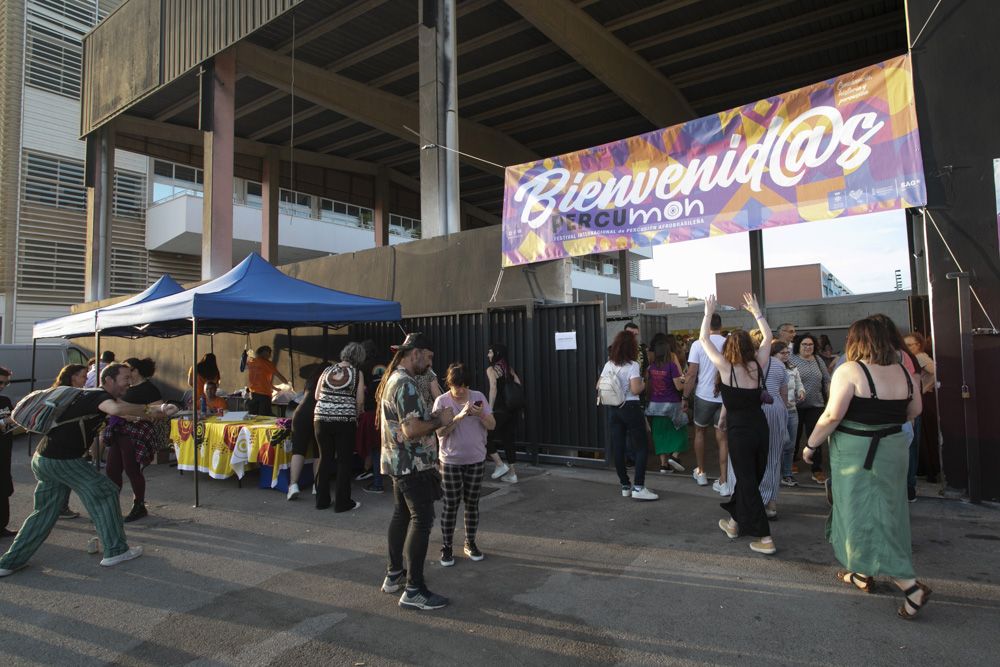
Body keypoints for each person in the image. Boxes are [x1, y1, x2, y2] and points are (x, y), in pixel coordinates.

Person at [0, 363, 179, 577]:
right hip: (62, 460)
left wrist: (160, 411)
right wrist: (154, 409)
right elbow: (118, 410)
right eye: (125, 378)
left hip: (44, 459)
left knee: (44, 513)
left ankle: (10, 562)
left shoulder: (96, 397)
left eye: (130, 378)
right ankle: (116, 550)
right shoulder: (99, 397)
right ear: (109, 380)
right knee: (106, 491)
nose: (129, 382)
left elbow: (127, 412)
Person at [803, 318, 929, 619]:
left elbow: (832, 415)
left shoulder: (850, 370)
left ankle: (910, 586)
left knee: (862, 513)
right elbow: (915, 411)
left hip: (858, 453)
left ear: (857, 341)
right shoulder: (904, 371)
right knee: (887, 509)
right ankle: (861, 572)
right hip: (893, 449)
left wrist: (810, 445)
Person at [376, 332, 453, 610]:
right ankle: (414, 589)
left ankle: (394, 574)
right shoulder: (406, 384)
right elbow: (411, 429)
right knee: (421, 520)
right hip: (413, 465)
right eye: (429, 357)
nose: (431, 365)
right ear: (416, 353)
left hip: (399, 463)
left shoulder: (393, 380)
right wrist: (438, 419)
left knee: (402, 515)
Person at [700, 293, 776, 555]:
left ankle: (765, 537)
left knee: (747, 481)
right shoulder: (758, 364)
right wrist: (756, 312)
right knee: (749, 480)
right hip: (760, 429)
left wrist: (708, 313)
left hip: (740, 433)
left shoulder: (724, 367)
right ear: (748, 347)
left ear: (729, 348)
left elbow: (703, 339)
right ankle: (733, 524)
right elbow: (768, 338)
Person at [433, 362, 495, 566]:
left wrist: (480, 415)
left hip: (476, 459)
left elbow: (492, 425)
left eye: (464, 386)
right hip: (450, 460)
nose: (460, 390)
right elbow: (439, 432)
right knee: (451, 505)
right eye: (456, 386)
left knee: (472, 504)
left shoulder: (478, 397)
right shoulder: (442, 401)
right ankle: (447, 546)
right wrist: (459, 417)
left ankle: (470, 542)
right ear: (449, 384)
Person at [598, 331, 658, 501]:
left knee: (618, 447)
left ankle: (625, 485)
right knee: (641, 447)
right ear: (630, 347)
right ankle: (639, 486)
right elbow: (635, 389)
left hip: (613, 409)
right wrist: (644, 383)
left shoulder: (609, 364)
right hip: (630, 407)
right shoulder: (632, 365)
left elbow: (599, 385)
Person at [103, 358, 163, 522]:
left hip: (135, 434)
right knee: (112, 470)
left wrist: (132, 415)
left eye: (129, 375)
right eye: (125, 377)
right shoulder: (124, 389)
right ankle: (112, 505)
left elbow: (159, 413)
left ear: (136, 371)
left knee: (132, 470)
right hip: (118, 431)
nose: (127, 379)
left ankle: (139, 505)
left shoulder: (150, 389)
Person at [313, 343, 365, 513]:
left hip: (320, 418)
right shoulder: (357, 374)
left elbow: (316, 394)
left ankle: (321, 500)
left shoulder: (327, 370)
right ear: (359, 358)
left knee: (325, 457)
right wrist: (356, 415)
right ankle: (342, 503)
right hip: (344, 420)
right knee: (344, 461)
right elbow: (359, 401)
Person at [683, 312, 729, 492]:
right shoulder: (728, 343)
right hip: (725, 397)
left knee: (700, 432)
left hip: (703, 396)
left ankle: (701, 472)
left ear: (706, 324)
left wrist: (685, 397)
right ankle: (724, 480)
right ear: (721, 325)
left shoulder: (698, 344)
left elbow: (692, 373)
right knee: (723, 437)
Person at [791, 333, 831, 484]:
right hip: (796, 405)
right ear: (798, 346)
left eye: (810, 345)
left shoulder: (818, 359)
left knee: (816, 436)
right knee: (795, 434)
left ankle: (817, 468)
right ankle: (792, 460)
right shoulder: (791, 359)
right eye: (804, 344)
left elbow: (826, 379)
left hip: (816, 404)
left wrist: (830, 397)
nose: (808, 347)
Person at [644, 336, 687, 474]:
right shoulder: (671, 366)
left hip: (655, 406)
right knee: (680, 431)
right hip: (672, 405)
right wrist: (684, 379)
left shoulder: (650, 368)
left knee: (660, 435)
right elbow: (679, 387)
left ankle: (664, 466)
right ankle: (674, 457)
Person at [51, 364, 88, 520]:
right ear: (73, 377)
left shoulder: (59, 391)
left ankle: (54, 508)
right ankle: (60, 508)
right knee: (65, 477)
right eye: (83, 376)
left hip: (56, 441)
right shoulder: (70, 394)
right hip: (63, 441)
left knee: (54, 480)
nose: (86, 379)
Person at [757, 340, 789, 519]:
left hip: (756, 408)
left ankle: (755, 501)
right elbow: (783, 393)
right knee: (773, 458)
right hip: (776, 408)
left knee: (753, 457)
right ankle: (772, 504)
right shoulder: (779, 365)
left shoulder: (751, 362)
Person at [905, 331, 938, 494]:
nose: (908, 347)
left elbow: (936, 372)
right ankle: (926, 470)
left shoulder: (920, 357)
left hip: (923, 400)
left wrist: (925, 388)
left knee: (924, 437)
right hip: (923, 399)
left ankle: (928, 471)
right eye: (906, 345)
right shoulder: (918, 357)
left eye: (910, 344)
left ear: (918, 345)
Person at [485, 343, 522, 483]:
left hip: (499, 409)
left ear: (496, 353)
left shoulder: (491, 369)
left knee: (484, 435)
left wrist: (490, 408)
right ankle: (512, 474)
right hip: (511, 410)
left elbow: (493, 387)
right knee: (508, 440)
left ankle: (499, 464)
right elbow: (518, 384)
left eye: (490, 352)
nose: (488, 355)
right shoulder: (509, 369)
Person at [287, 367, 322, 501]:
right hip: (319, 414)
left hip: (301, 412)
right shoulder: (331, 379)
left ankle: (293, 485)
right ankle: (317, 484)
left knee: (298, 450)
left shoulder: (310, 382)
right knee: (319, 451)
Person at [778, 345, 805, 487]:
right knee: (785, 442)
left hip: (793, 410)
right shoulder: (770, 368)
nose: (785, 355)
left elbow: (799, 383)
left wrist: (801, 391)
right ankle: (776, 471)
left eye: (787, 353)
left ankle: (787, 474)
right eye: (782, 353)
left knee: (791, 445)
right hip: (778, 412)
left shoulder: (792, 368)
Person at [245, 346, 289, 416]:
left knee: (253, 417)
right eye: (269, 353)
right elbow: (279, 376)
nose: (270, 355)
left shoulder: (251, 362)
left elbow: (261, 379)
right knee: (264, 417)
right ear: (264, 353)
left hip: (252, 395)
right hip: (264, 396)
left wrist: (275, 388)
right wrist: (287, 383)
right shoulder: (267, 363)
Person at [0, 367, 15, 539]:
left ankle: (2, 526)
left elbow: (13, 420)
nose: (3, 386)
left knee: (4, 489)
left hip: (4, 452)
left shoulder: (4, 400)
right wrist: (4, 421)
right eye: (0, 382)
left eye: (6, 383)